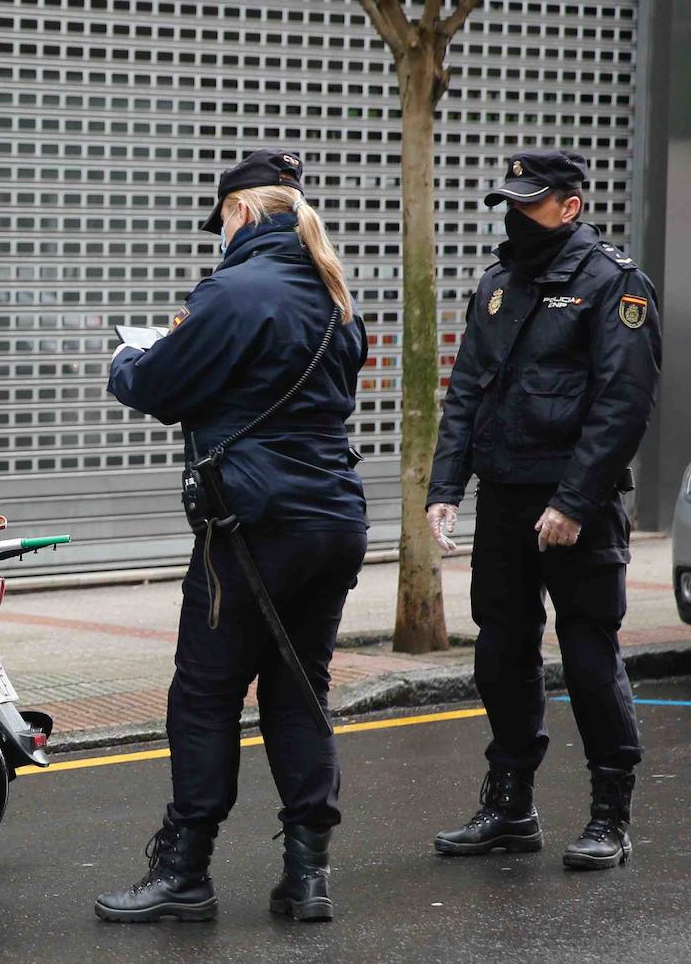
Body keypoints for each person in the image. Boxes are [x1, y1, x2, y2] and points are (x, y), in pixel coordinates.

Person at [95, 149, 369, 924]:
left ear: (241, 212)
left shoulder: (233, 292)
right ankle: (307, 875)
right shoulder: (335, 293)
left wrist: (126, 356)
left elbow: (158, 386)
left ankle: (185, 873)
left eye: (221, 220)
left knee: (207, 695)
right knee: (298, 690)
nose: (220, 233)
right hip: (333, 521)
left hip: (252, 528)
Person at [427, 150, 661, 870]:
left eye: (530, 203)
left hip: (574, 507)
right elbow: (468, 388)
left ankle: (608, 815)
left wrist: (574, 500)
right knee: (501, 653)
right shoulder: (499, 284)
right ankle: (509, 806)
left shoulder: (615, 286)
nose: (515, 216)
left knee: (589, 654)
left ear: (571, 205)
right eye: (510, 202)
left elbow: (623, 405)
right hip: (504, 496)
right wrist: (444, 487)